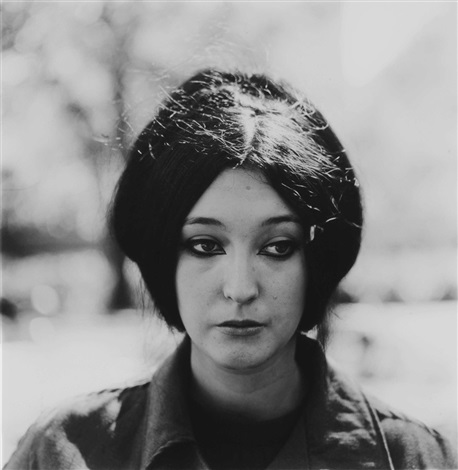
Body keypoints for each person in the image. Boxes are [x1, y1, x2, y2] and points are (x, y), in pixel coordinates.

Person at [5, 69, 456, 470]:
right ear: (164, 255)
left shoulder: (414, 458)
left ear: (316, 261)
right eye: (204, 245)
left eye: (277, 247)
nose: (240, 288)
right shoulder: (62, 452)